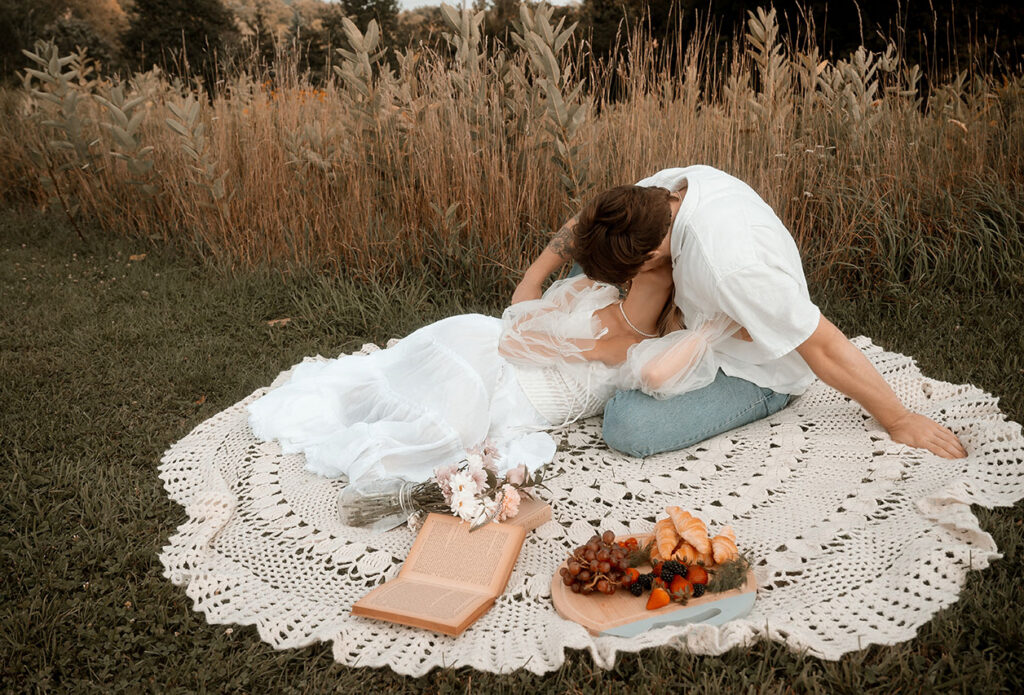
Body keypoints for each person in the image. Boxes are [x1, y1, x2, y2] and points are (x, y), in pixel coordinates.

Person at [513, 165, 967, 460]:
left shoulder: (732, 267)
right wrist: (533, 280)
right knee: (596, 246)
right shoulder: (663, 195)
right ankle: (624, 331)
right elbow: (589, 221)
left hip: (754, 368)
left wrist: (899, 419)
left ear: (651, 259)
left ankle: (628, 351)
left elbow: (823, 345)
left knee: (627, 424)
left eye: (629, 276)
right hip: (696, 304)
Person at [247, 264, 740, 484]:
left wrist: (713, 328)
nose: (646, 268)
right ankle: (356, 403)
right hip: (485, 353)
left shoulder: (661, 347)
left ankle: (362, 408)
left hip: (511, 398)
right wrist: (587, 344)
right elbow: (518, 331)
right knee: (441, 430)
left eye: (663, 264)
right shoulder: (594, 289)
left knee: (447, 436)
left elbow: (654, 379)